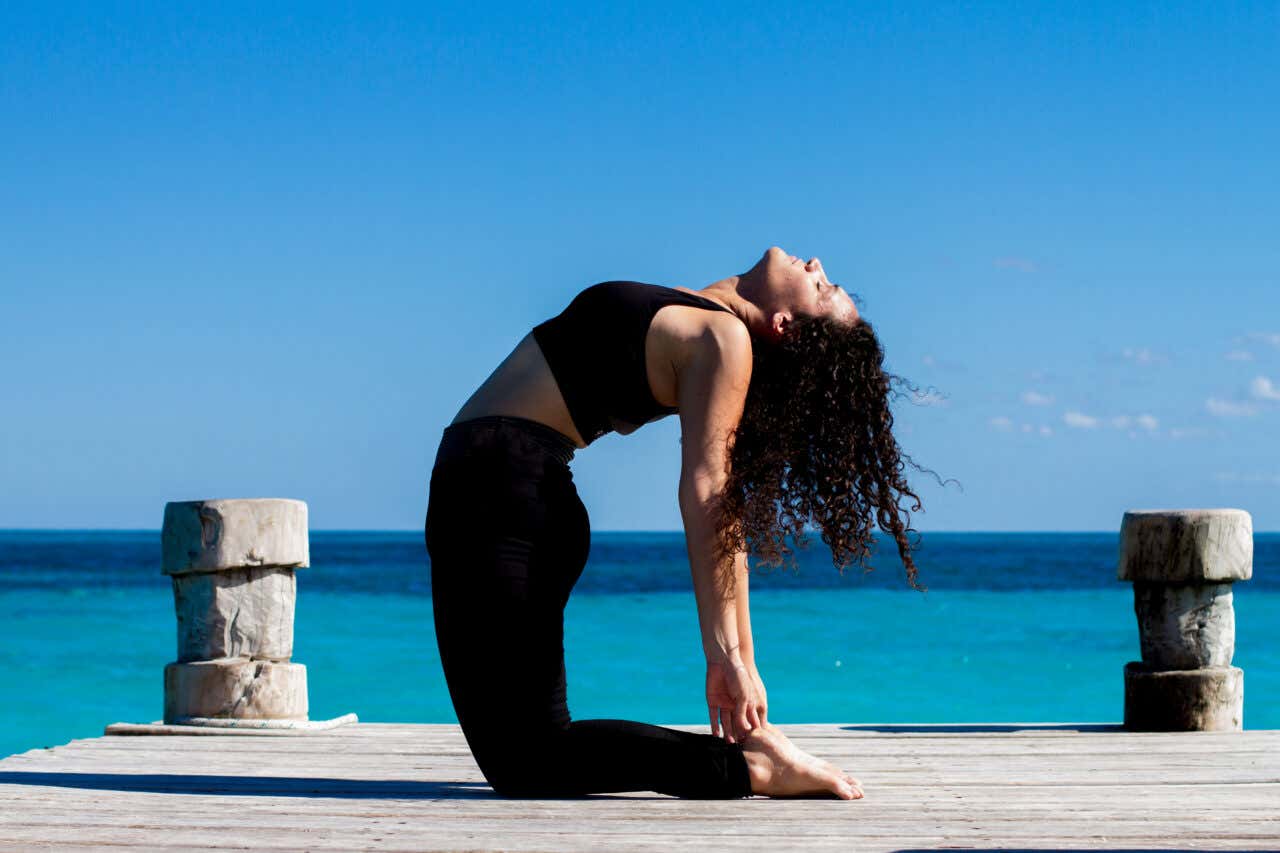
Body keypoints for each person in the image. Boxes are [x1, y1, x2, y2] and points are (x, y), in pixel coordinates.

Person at [424, 246, 926, 799]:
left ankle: (749, 769)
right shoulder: (706, 317)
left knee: (529, 763)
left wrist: (729, 659)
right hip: (501, 493)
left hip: (503, 499)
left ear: (783, 325)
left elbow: (712, 496)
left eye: (824, 289)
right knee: (527, 754)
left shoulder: (726, 339)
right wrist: (739, 663)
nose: (817, 265)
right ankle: (755, 752)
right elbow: (723, 505)